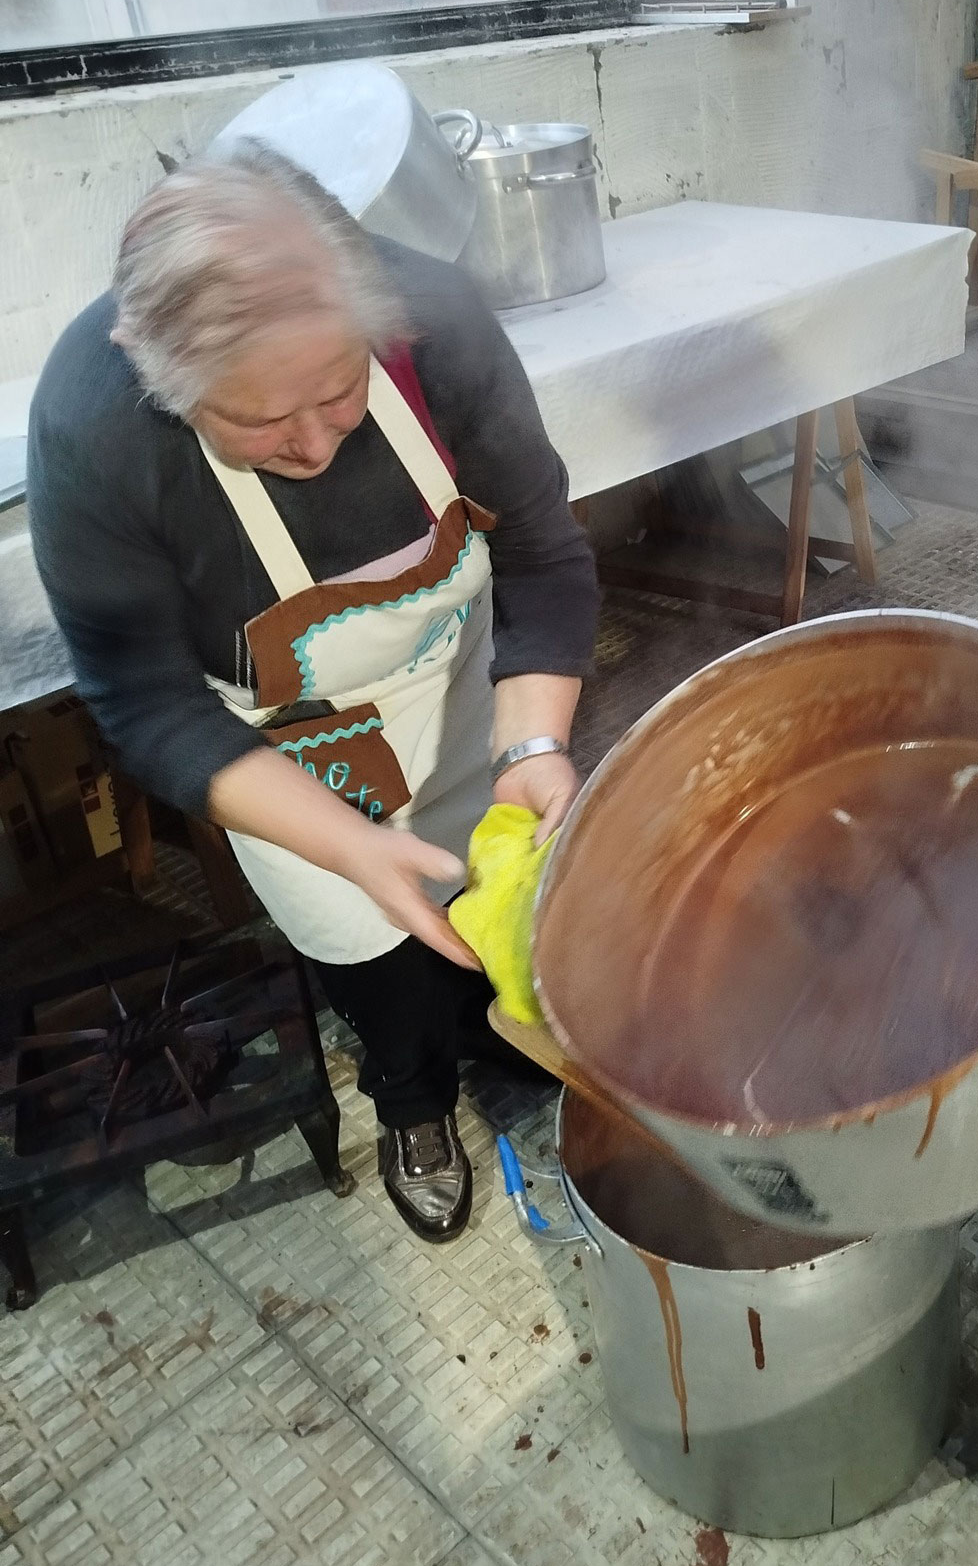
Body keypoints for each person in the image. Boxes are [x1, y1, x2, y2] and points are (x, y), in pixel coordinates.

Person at [28, 142, 598, 1244]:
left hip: (465, 687)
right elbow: (142, 697)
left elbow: (538, 546)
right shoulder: (93, 427)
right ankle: (413, 1104)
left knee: (504, 914)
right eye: (258, 422)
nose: (317, 441)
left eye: (341, 390)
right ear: (151, 369)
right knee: (374, 960)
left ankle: (502, 1034)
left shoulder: (433, 321)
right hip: (285, 756)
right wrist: (350, 846)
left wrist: (532, 747)